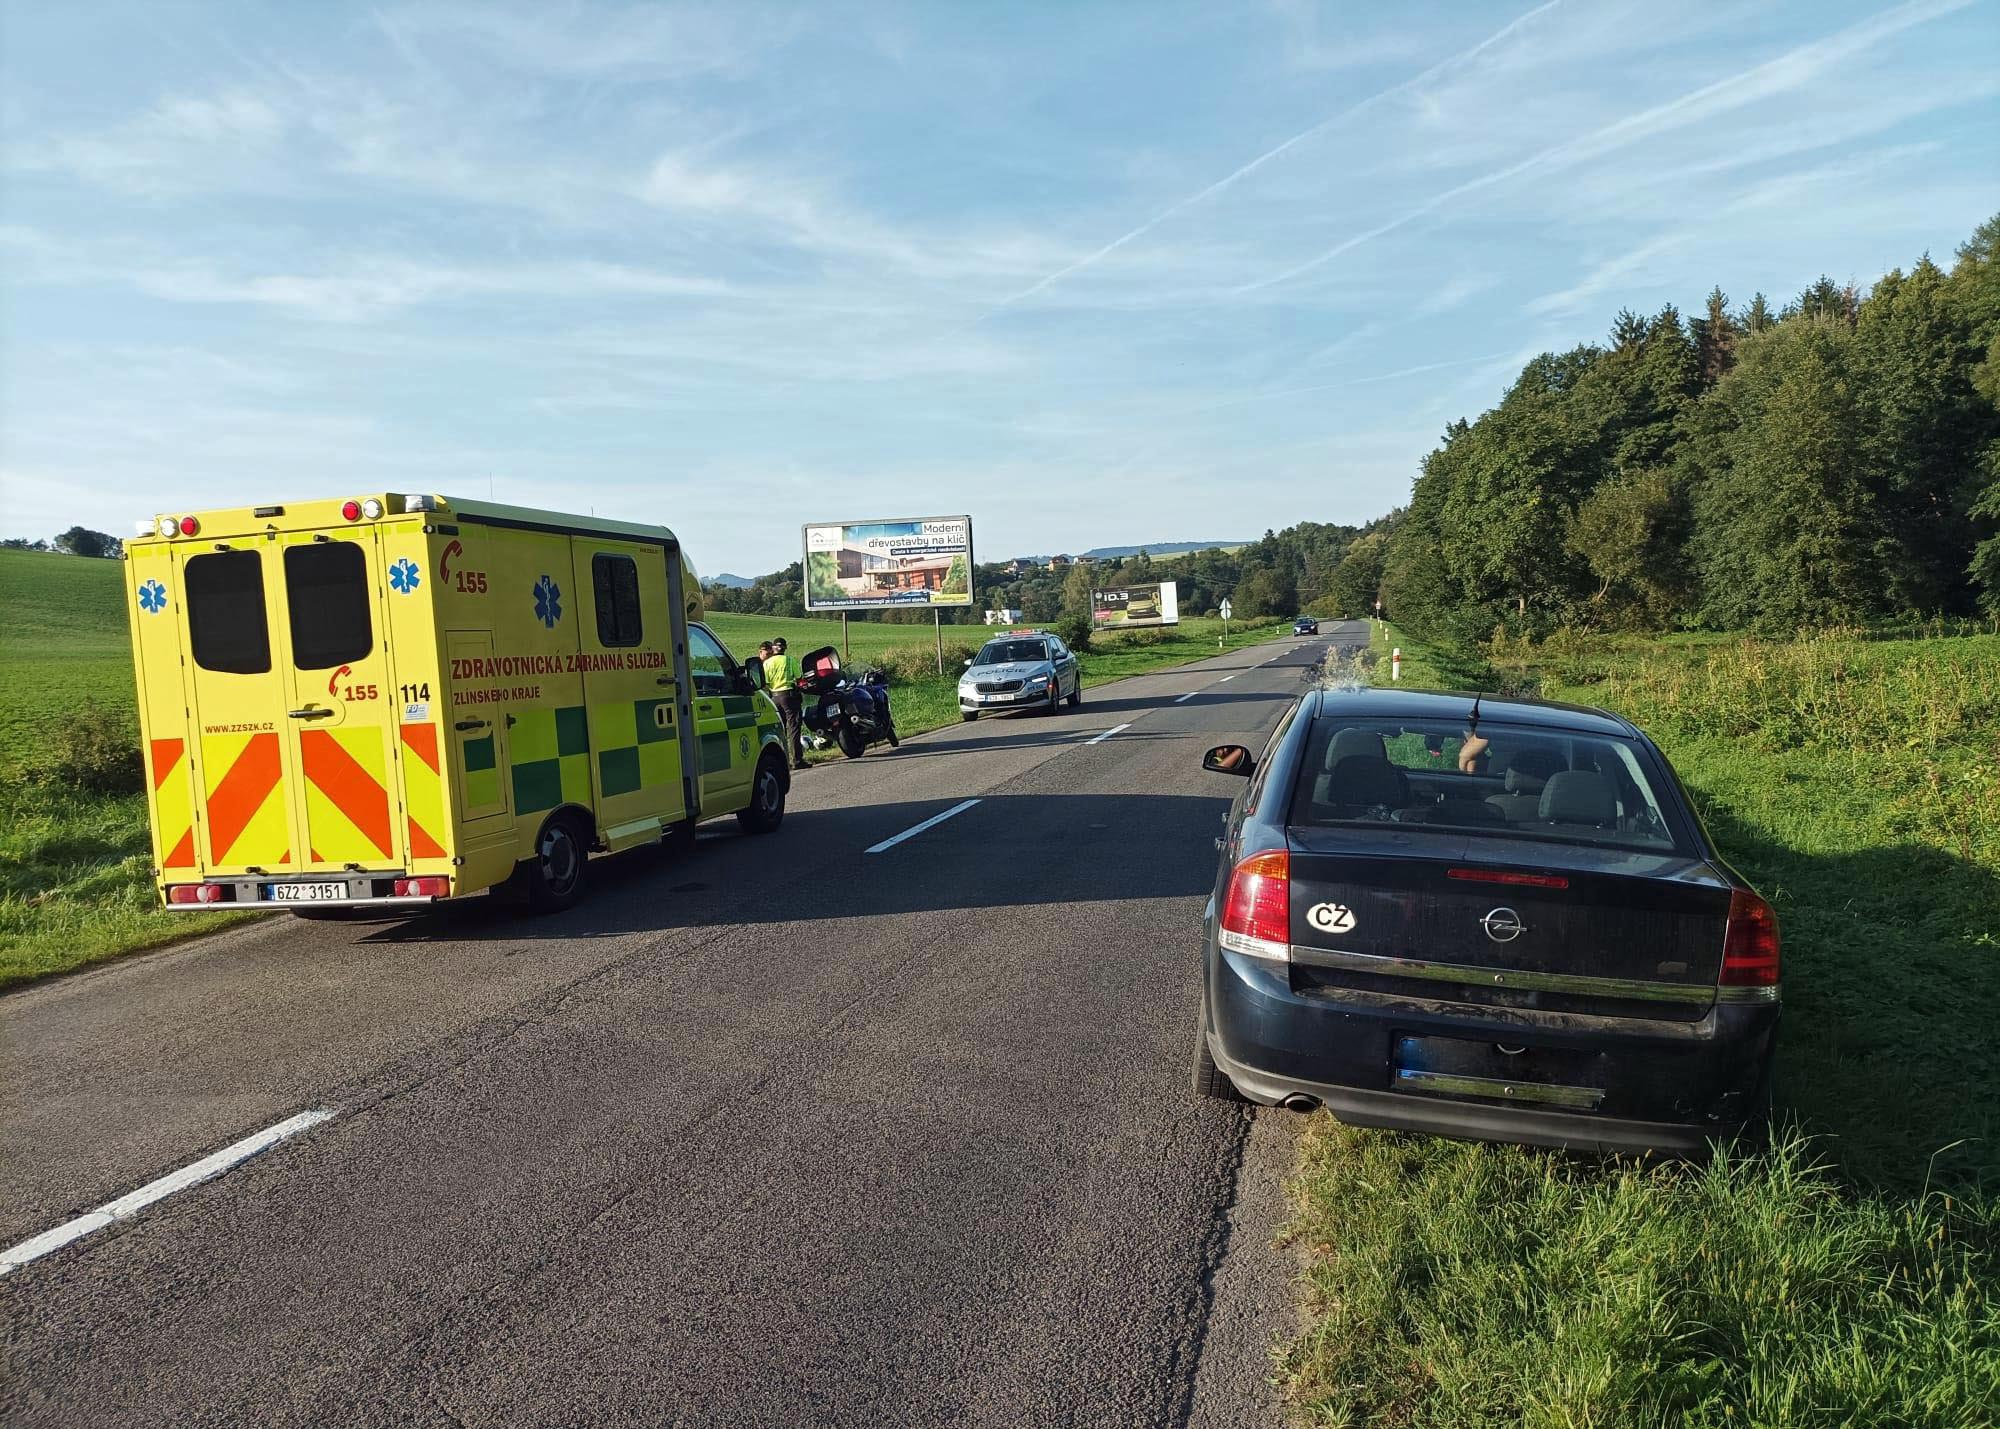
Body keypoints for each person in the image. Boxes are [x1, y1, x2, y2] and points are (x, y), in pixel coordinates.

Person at [763, 637, 807, 771]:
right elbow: (799, 678)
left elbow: (765, 682)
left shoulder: (767, 663)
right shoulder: (790, 660)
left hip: (774, 698)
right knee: (794, 728)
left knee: (780, 730)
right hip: (789, 696)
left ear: (773, 648)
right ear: (785, 648)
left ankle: (783, 762)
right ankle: (797, 760)